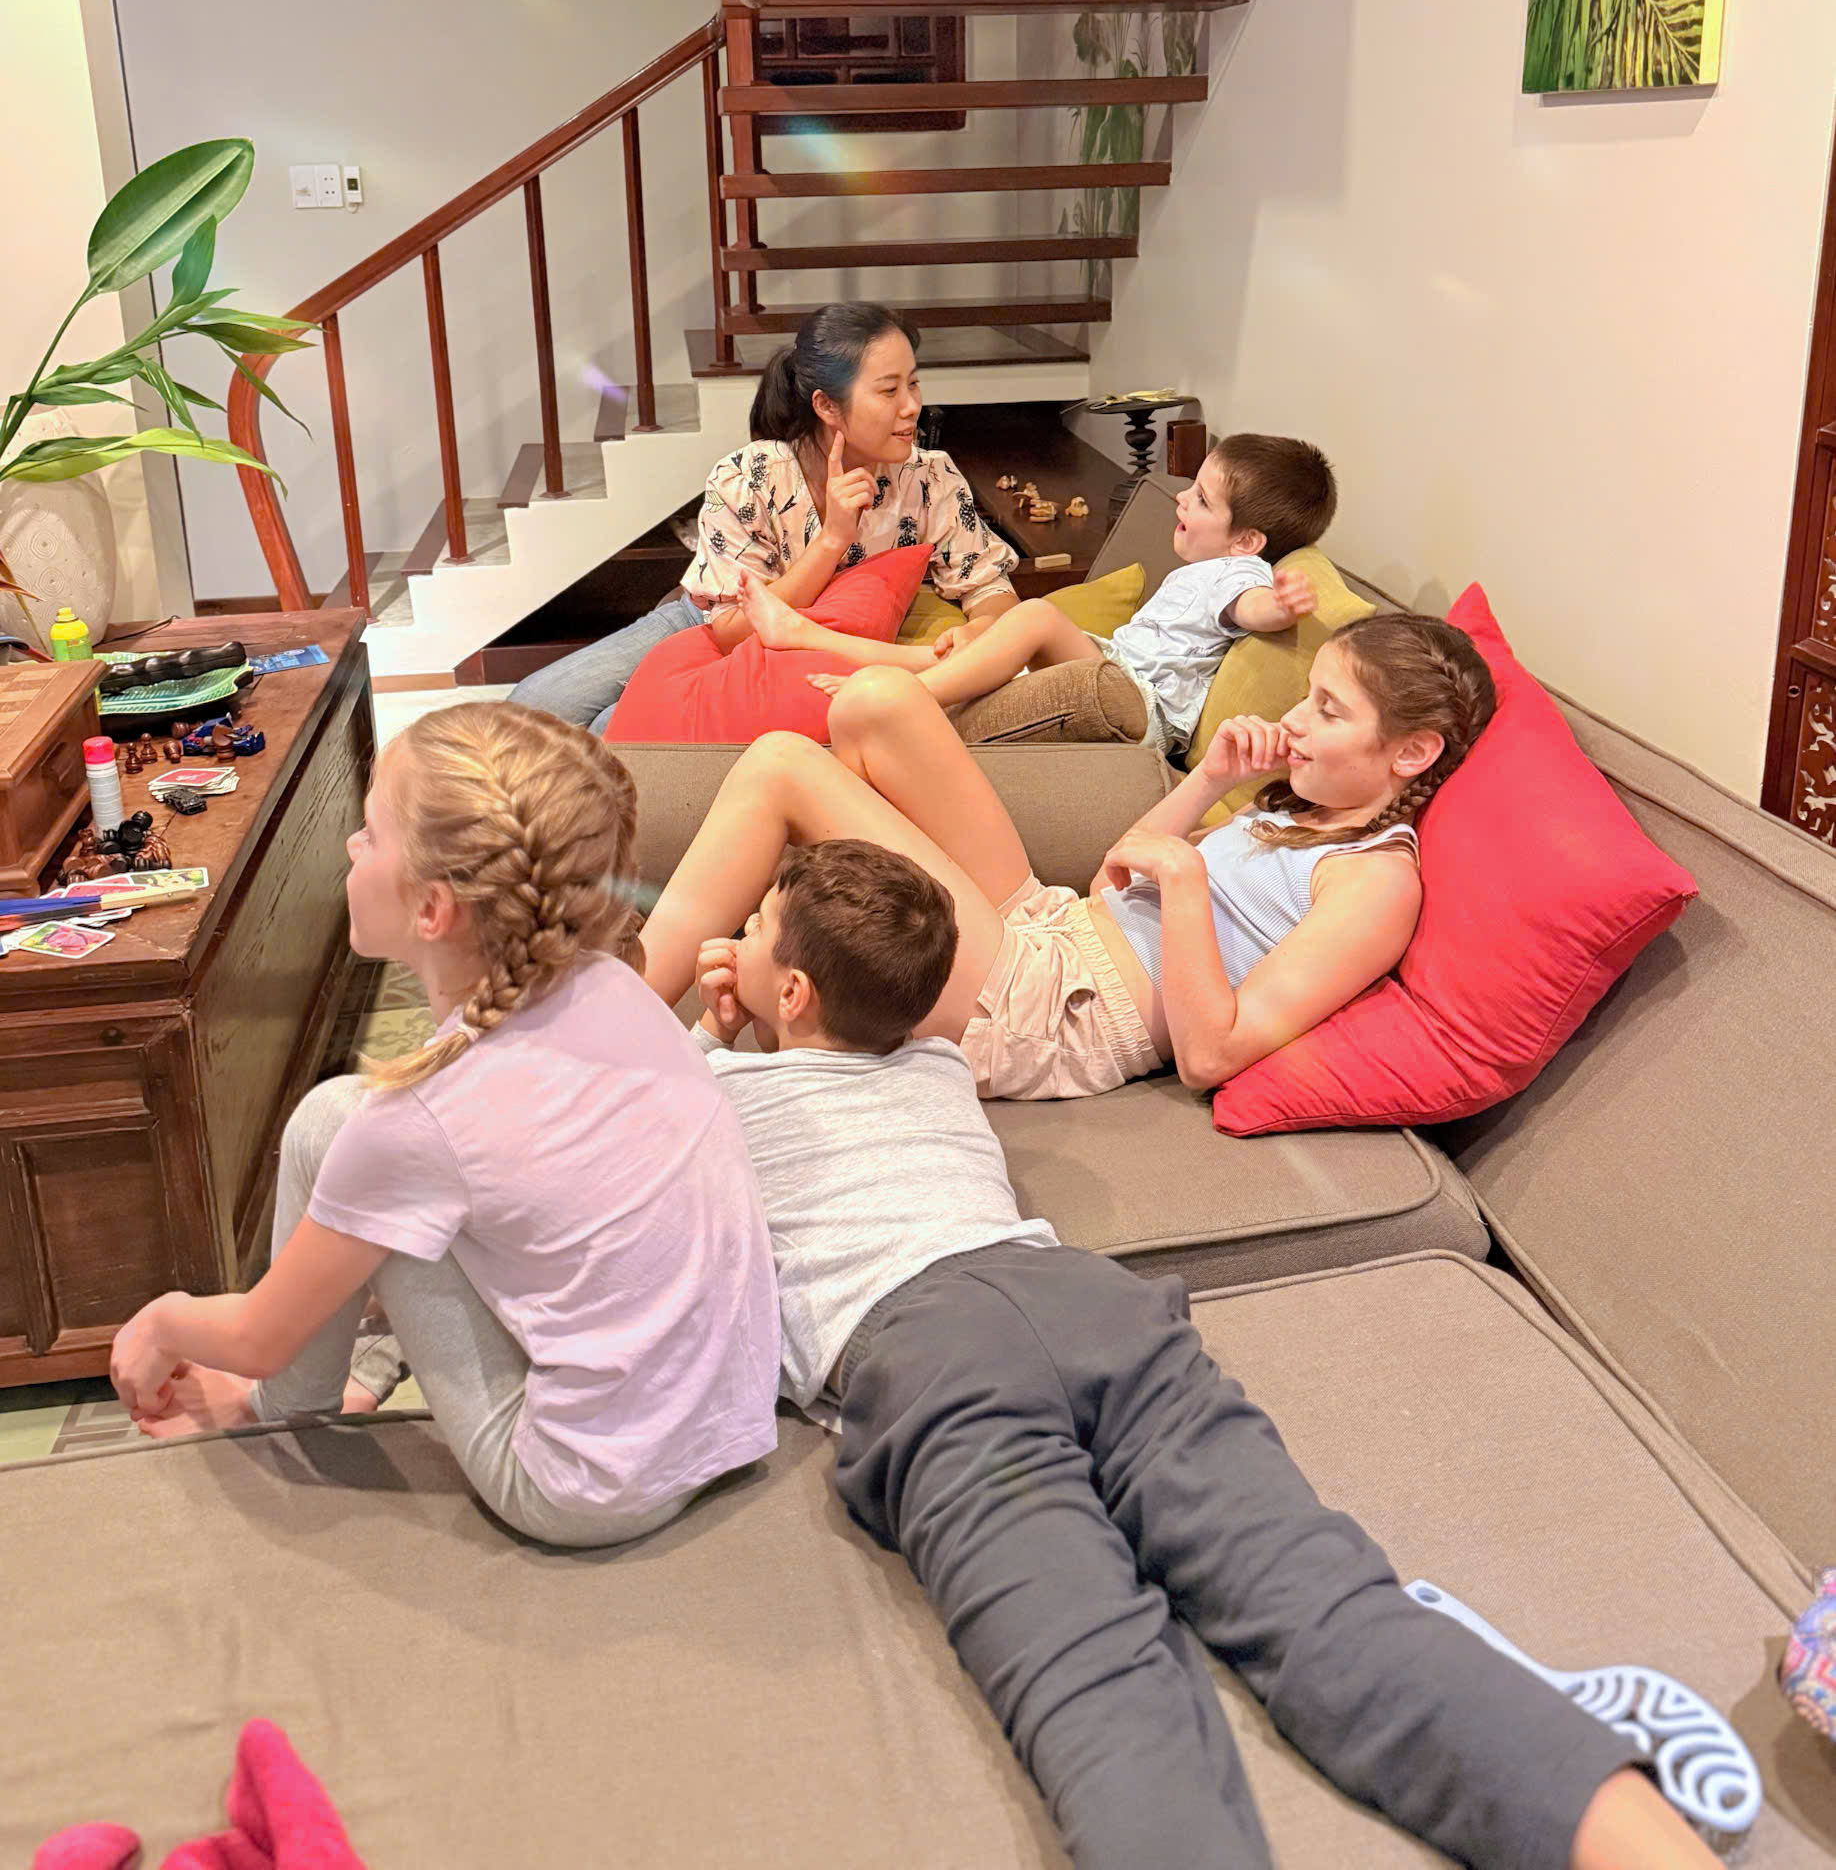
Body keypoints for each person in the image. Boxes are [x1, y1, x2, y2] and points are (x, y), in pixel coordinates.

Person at [688, 837, 1722, 1870]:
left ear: (792, 985)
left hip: (938, 1359)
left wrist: (714, 1033)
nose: (731, 941)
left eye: (753, 931)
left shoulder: (714, 1104)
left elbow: (673, 1159)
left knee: (1094, 1676)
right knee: (1326, 1603)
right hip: (1090, 1306)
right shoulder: (937, 1063)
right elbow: (843, 1055)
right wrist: (767, 1012)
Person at [107, 703, 780, 1550]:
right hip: (733, 1427)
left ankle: (290, 1412)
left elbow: (258, 1334)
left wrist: (162, 1320)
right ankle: (367, 1360)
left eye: (369, 835)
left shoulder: (424, 1116)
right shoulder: (610, 982)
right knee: (391, 1158)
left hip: (584, 1489)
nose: (351, 849)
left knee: (329, 1126)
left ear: (431, 909)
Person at [641, 610, 1494, 1101]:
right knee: (877, 704)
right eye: (1308, 699)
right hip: (1051, 926)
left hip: (1055, 1012)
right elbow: (1113, 874)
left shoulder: (1376, 884)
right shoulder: (1299, 813)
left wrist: (1189, 877)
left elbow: (1209, 1058)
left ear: (1411, 754)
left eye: (1330, 712)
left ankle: (618, 1023)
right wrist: (1208, 785)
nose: (1298, 721)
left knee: (781, 767)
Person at [508, 303, 1021, 733]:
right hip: (707, 625)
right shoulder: (748, 476)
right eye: (889, 391)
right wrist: (832, 541)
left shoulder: (927, 478)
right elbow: (730, 630)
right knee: (530, 710)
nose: (912, 407)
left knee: (613, 731)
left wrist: (983, 629)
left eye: (913, 384)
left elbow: (988, 586)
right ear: (828, 407)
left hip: (804, 656)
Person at [751, 432, 1334, 761]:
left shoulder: (1240, 574)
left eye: (1203, 501)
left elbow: (1250, 609)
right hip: (1113, 669)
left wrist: (1280, 605)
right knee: (973, 651)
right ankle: (835, 653)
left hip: (1139, 705)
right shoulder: (1211, 567)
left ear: (1248, 541)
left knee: (1034, 616)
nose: (1182, 502)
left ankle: (905, 697)